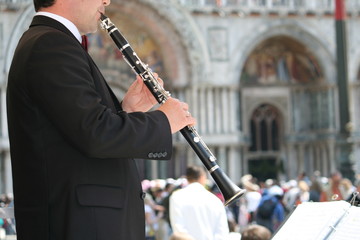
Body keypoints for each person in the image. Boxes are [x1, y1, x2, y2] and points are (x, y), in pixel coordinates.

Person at [6, 0, 196, 239]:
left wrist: (128, 111)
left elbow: (77, 130)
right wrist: (164, 121)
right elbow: (95, 133)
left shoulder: (52, 42)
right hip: (81, 225)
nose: (106, 1)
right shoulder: (50, 43)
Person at [169, 165, 229, 240]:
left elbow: (178, 228)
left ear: (187, 178)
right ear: (202, 177)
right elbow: (222, 232)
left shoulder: (176, 196)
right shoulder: (215, 200)